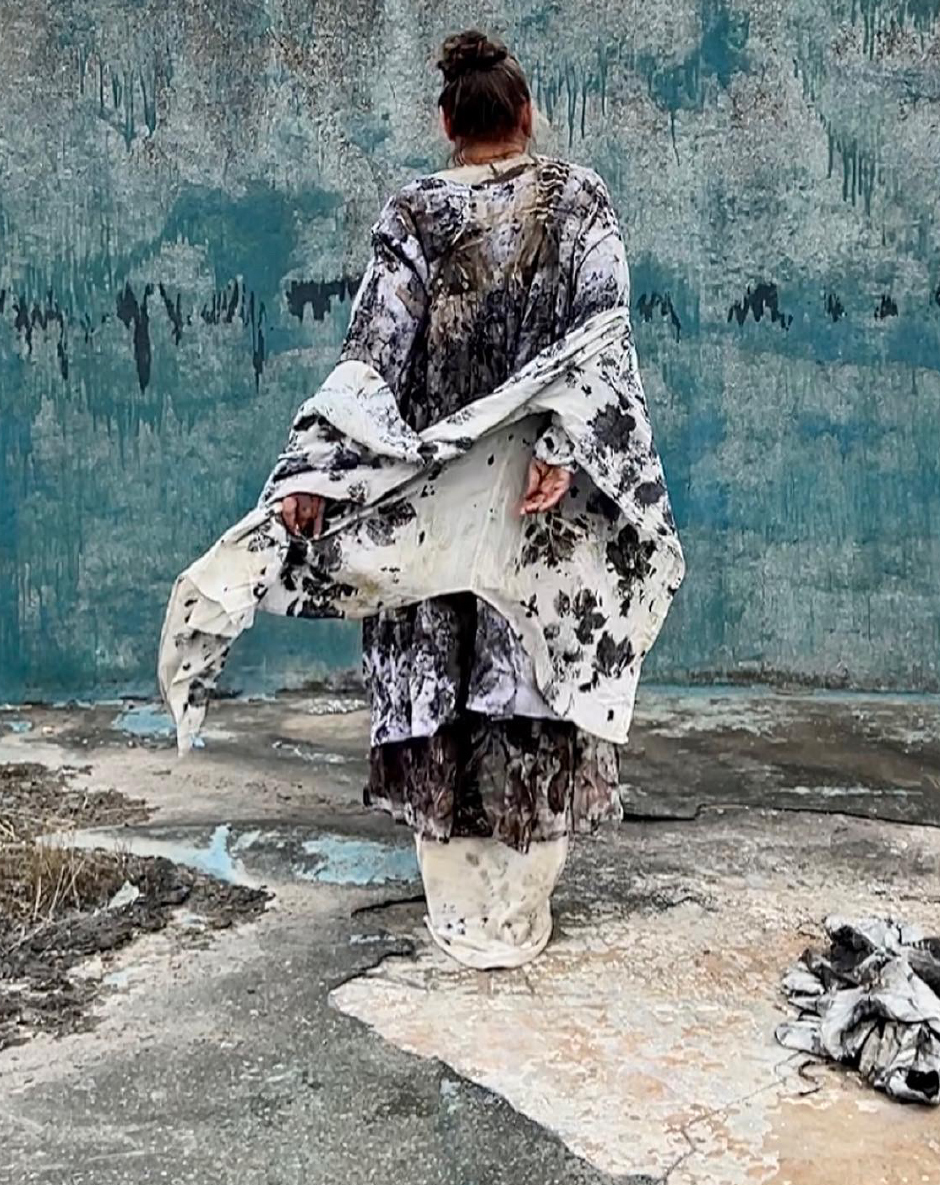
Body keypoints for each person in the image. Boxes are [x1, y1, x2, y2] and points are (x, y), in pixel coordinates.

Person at [279, 30, 633, 969]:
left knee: (438, 685)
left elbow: (370, 358)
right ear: (528, 115)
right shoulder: (580, 203)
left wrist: (313, 468)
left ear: (447, 122)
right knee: (535, 686)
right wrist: (561, 450)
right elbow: (603, 341)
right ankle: (517, 912)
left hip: (432, 504)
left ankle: (462, 913)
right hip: (535, 502)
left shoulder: (416, 215)